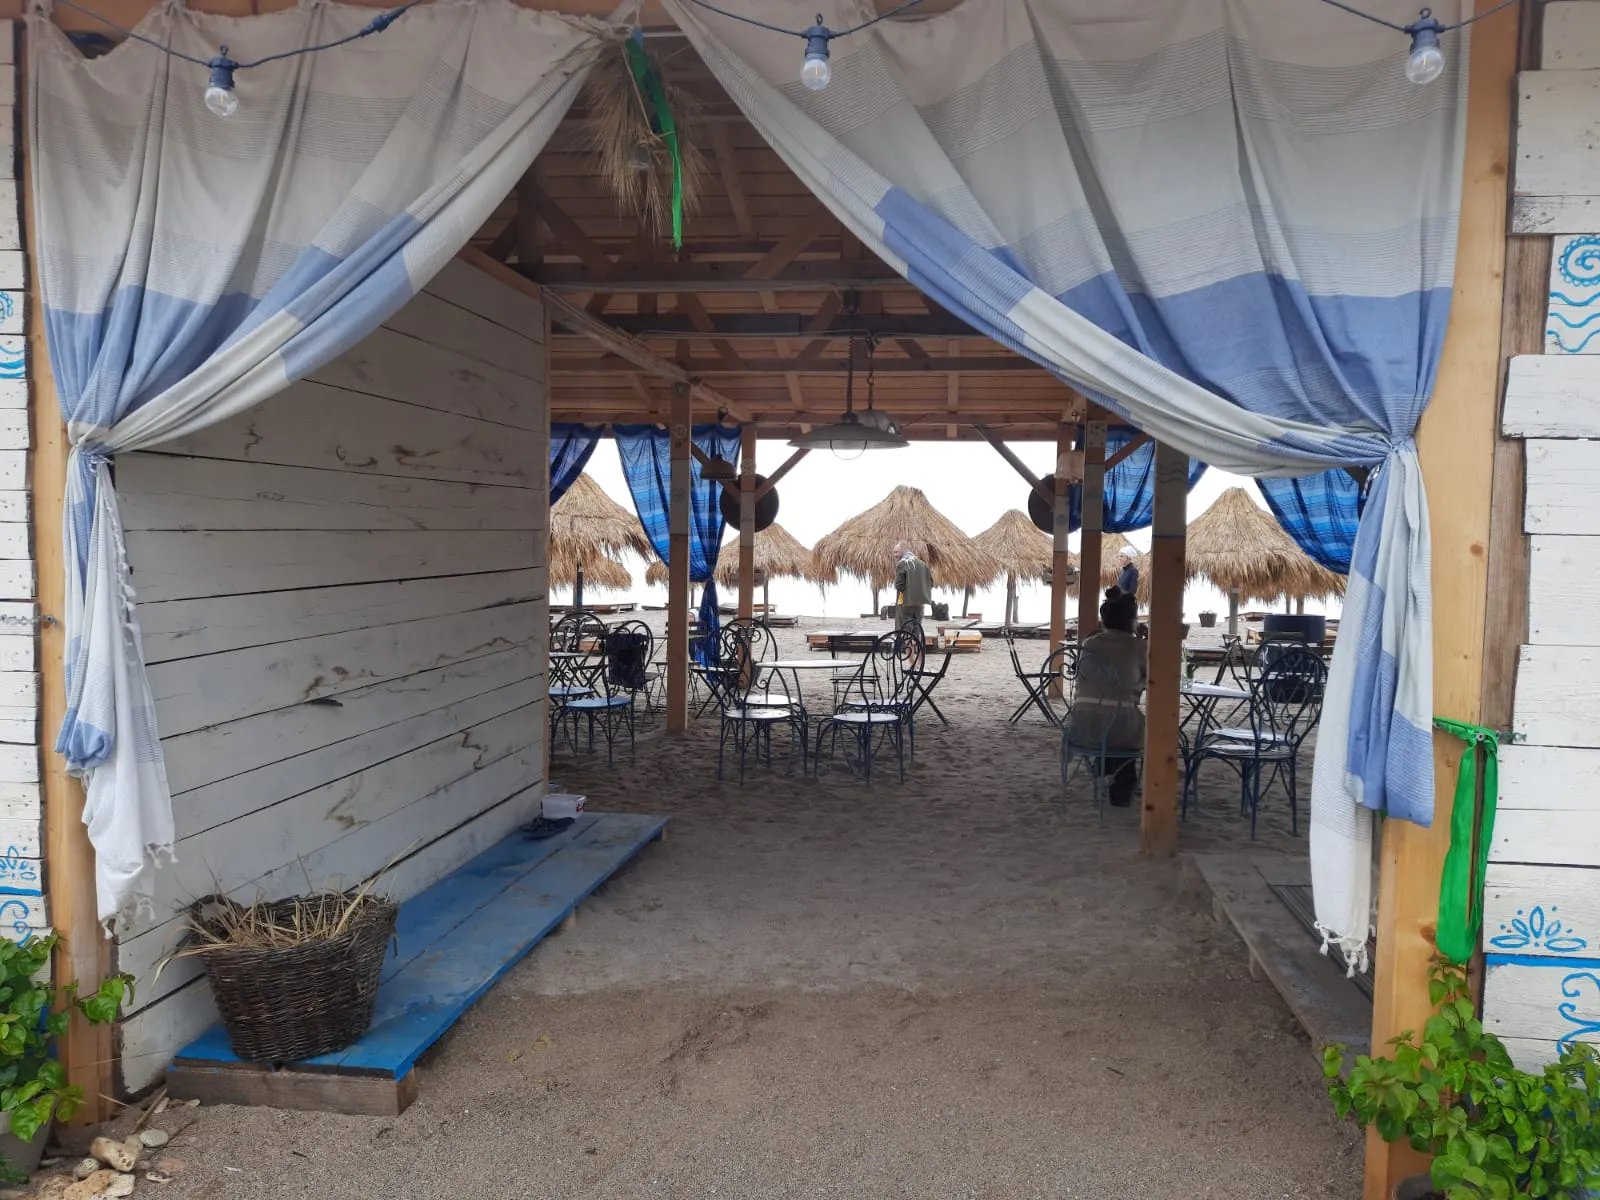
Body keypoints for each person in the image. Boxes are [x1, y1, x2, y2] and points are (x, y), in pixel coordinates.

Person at [1068, 587, 1148, 807]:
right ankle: (1121, 779)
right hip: (1120, 728)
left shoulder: (1090, 643)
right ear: (1132, 621)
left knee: (1109, 717)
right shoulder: (1138, 647)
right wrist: (1146, 641)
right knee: (1128, 724)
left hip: (1082, 725)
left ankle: (1105, 769)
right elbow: (1152, 678)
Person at [893, 540, 932, 632]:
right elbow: (930, 582)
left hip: (906, 602)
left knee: (905, 628)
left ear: (903, 551)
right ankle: (916, 642)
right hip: (920, 602)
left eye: (896, 552)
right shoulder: (923, 564)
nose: (895, 555)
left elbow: (899, 585)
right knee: (917, 627)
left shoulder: (902, 563)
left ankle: (907, 641)